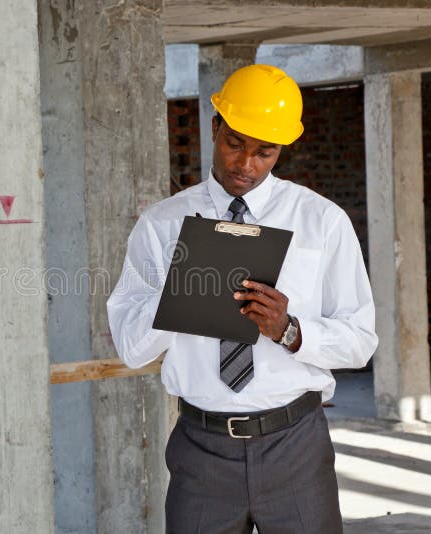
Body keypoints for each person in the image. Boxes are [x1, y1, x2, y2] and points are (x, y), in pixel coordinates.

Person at [106, 64, 378, 533]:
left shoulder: (322, 222)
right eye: (235, 143)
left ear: (281, 150)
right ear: (215, 127)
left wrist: (290, 331)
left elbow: (360, 341)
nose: (245, 164)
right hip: (202, 451)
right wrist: (182, 292)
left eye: (264, 152)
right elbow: (132, 347)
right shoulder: (162, 225)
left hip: (296, 446)